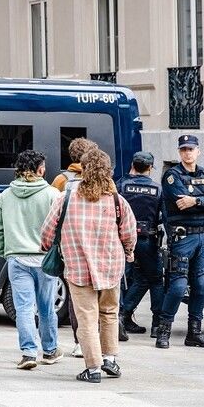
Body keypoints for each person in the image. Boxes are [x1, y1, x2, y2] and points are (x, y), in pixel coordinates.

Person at [40, 149, 136, 383]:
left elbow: (48, 231)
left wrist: (46, 246)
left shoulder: (66, 197)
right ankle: (110, 359)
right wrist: (129, 252)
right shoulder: (117, 200)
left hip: (77, 266)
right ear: (108, 170)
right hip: (111, 266)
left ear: (82, 169)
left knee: (87, 318)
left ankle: (93, 368)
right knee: (109, 313)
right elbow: (129, 233)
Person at [0, 150, 63, 370]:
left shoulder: (6, 195)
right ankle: (50, 350)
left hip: (18, 259)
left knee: (23, 308)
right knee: (46, 307)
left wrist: (6, 252)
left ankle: (28, 353)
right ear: (40, 170)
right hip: (45, 259)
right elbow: (60, 227)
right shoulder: (53, 195)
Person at [157, 135, 204, 349]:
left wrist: (195, 200)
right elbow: (180, 203)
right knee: (177, 286)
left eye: (191, 149)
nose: (187, 152)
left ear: (198, 151)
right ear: (179, 152)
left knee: (201, 285)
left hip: (202, 237)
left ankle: (194, 333)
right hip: (182, 237)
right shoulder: (172, 175)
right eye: (184, 149)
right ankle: (163, 330)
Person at [50, 137, 99, 358]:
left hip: (70, 245)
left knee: (75, 294)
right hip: (97, 244)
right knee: (99, 294)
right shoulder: (102, 179)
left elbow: (53, 211)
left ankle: (80, 341)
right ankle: (98, 340)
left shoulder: (61, 180)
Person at [116, 151, 165, 340]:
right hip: (147, 240)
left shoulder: (121, 185)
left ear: (133, 165)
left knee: (126, 279)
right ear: (150, 168)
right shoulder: (157, 189)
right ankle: (157, 325)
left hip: (122, 239)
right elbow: (164, 216)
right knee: (155, 280)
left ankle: (122, 316)